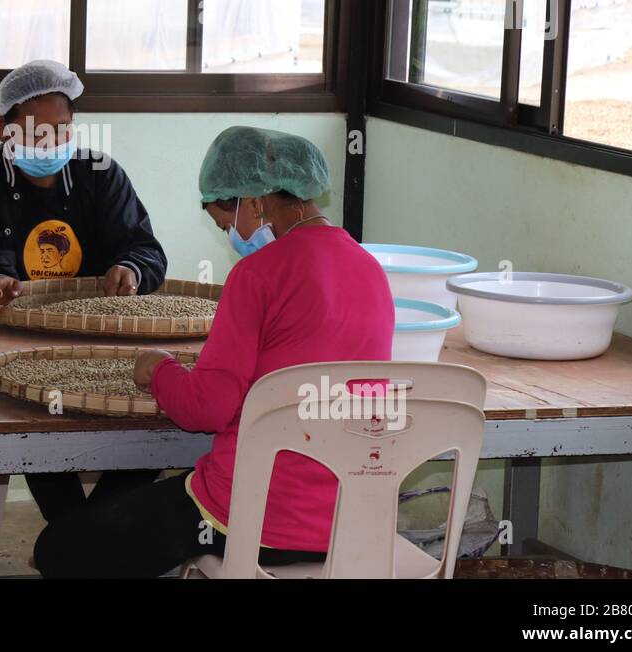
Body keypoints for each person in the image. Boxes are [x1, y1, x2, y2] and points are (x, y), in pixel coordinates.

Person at [32, 125, 395, 578]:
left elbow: (206, 411)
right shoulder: (370, 270)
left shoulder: (257, 276)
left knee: (57, 549)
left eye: (228, 222)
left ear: (255, 201)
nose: (232, 237)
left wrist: (157, 370)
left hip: (250, 514)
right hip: (348, 514)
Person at [0, 59, 168, 523]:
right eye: (34, 131)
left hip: (89, 332)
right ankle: (79, 539)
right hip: (3, 332)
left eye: (63, 128)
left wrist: (130, 269)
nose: (51, 142)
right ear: (4, 127)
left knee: (156, 419)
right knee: (24, 417)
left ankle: (79, 541)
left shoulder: (100, 173)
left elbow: (144, 248)